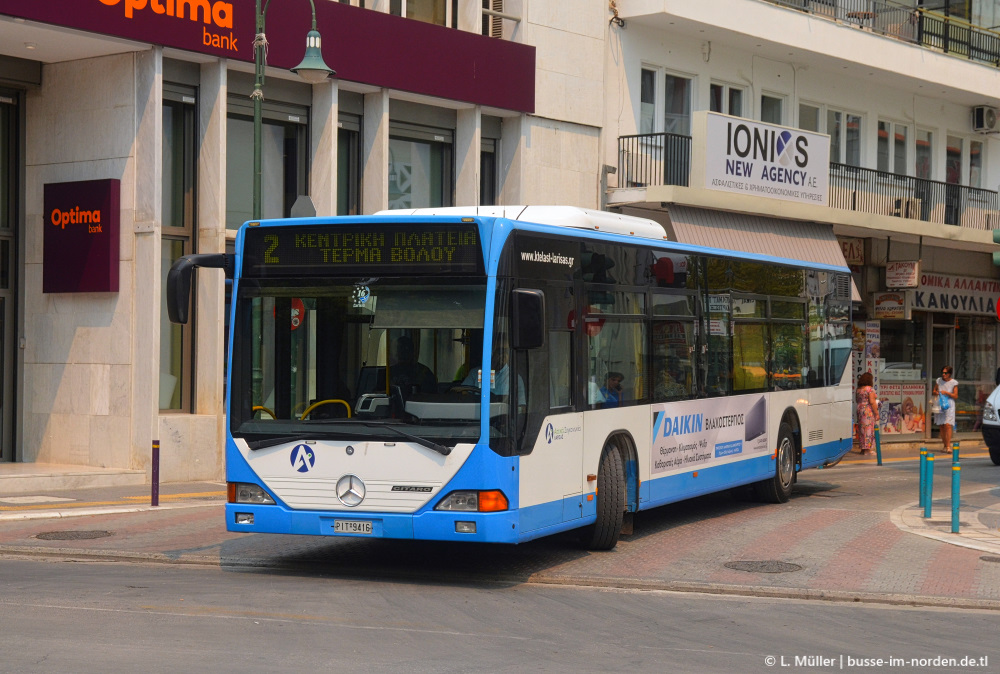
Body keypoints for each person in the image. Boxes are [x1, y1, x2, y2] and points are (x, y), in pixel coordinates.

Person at [932, 366, 959, 454]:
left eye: (945, 373)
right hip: (940, 403)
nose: (943, 374)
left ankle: (948, 446)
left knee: (948, 425)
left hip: (949, 404)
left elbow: (955, 396)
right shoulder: (939, 380)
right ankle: (945, 445)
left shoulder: (953, 383)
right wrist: (937, 392)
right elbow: (934, 390)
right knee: (942, 425)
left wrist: (946, 393)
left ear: (949, 374)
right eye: (943, 373)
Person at [855, 372, 878, 456]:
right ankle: (867, 450)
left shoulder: (858, 389)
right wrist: (876, 413)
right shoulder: (870, 389)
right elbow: (872, 402)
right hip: (867, 410)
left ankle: (862, 449)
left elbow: (856, 400)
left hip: (860, 409)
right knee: (868, 429)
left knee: (862, 430)